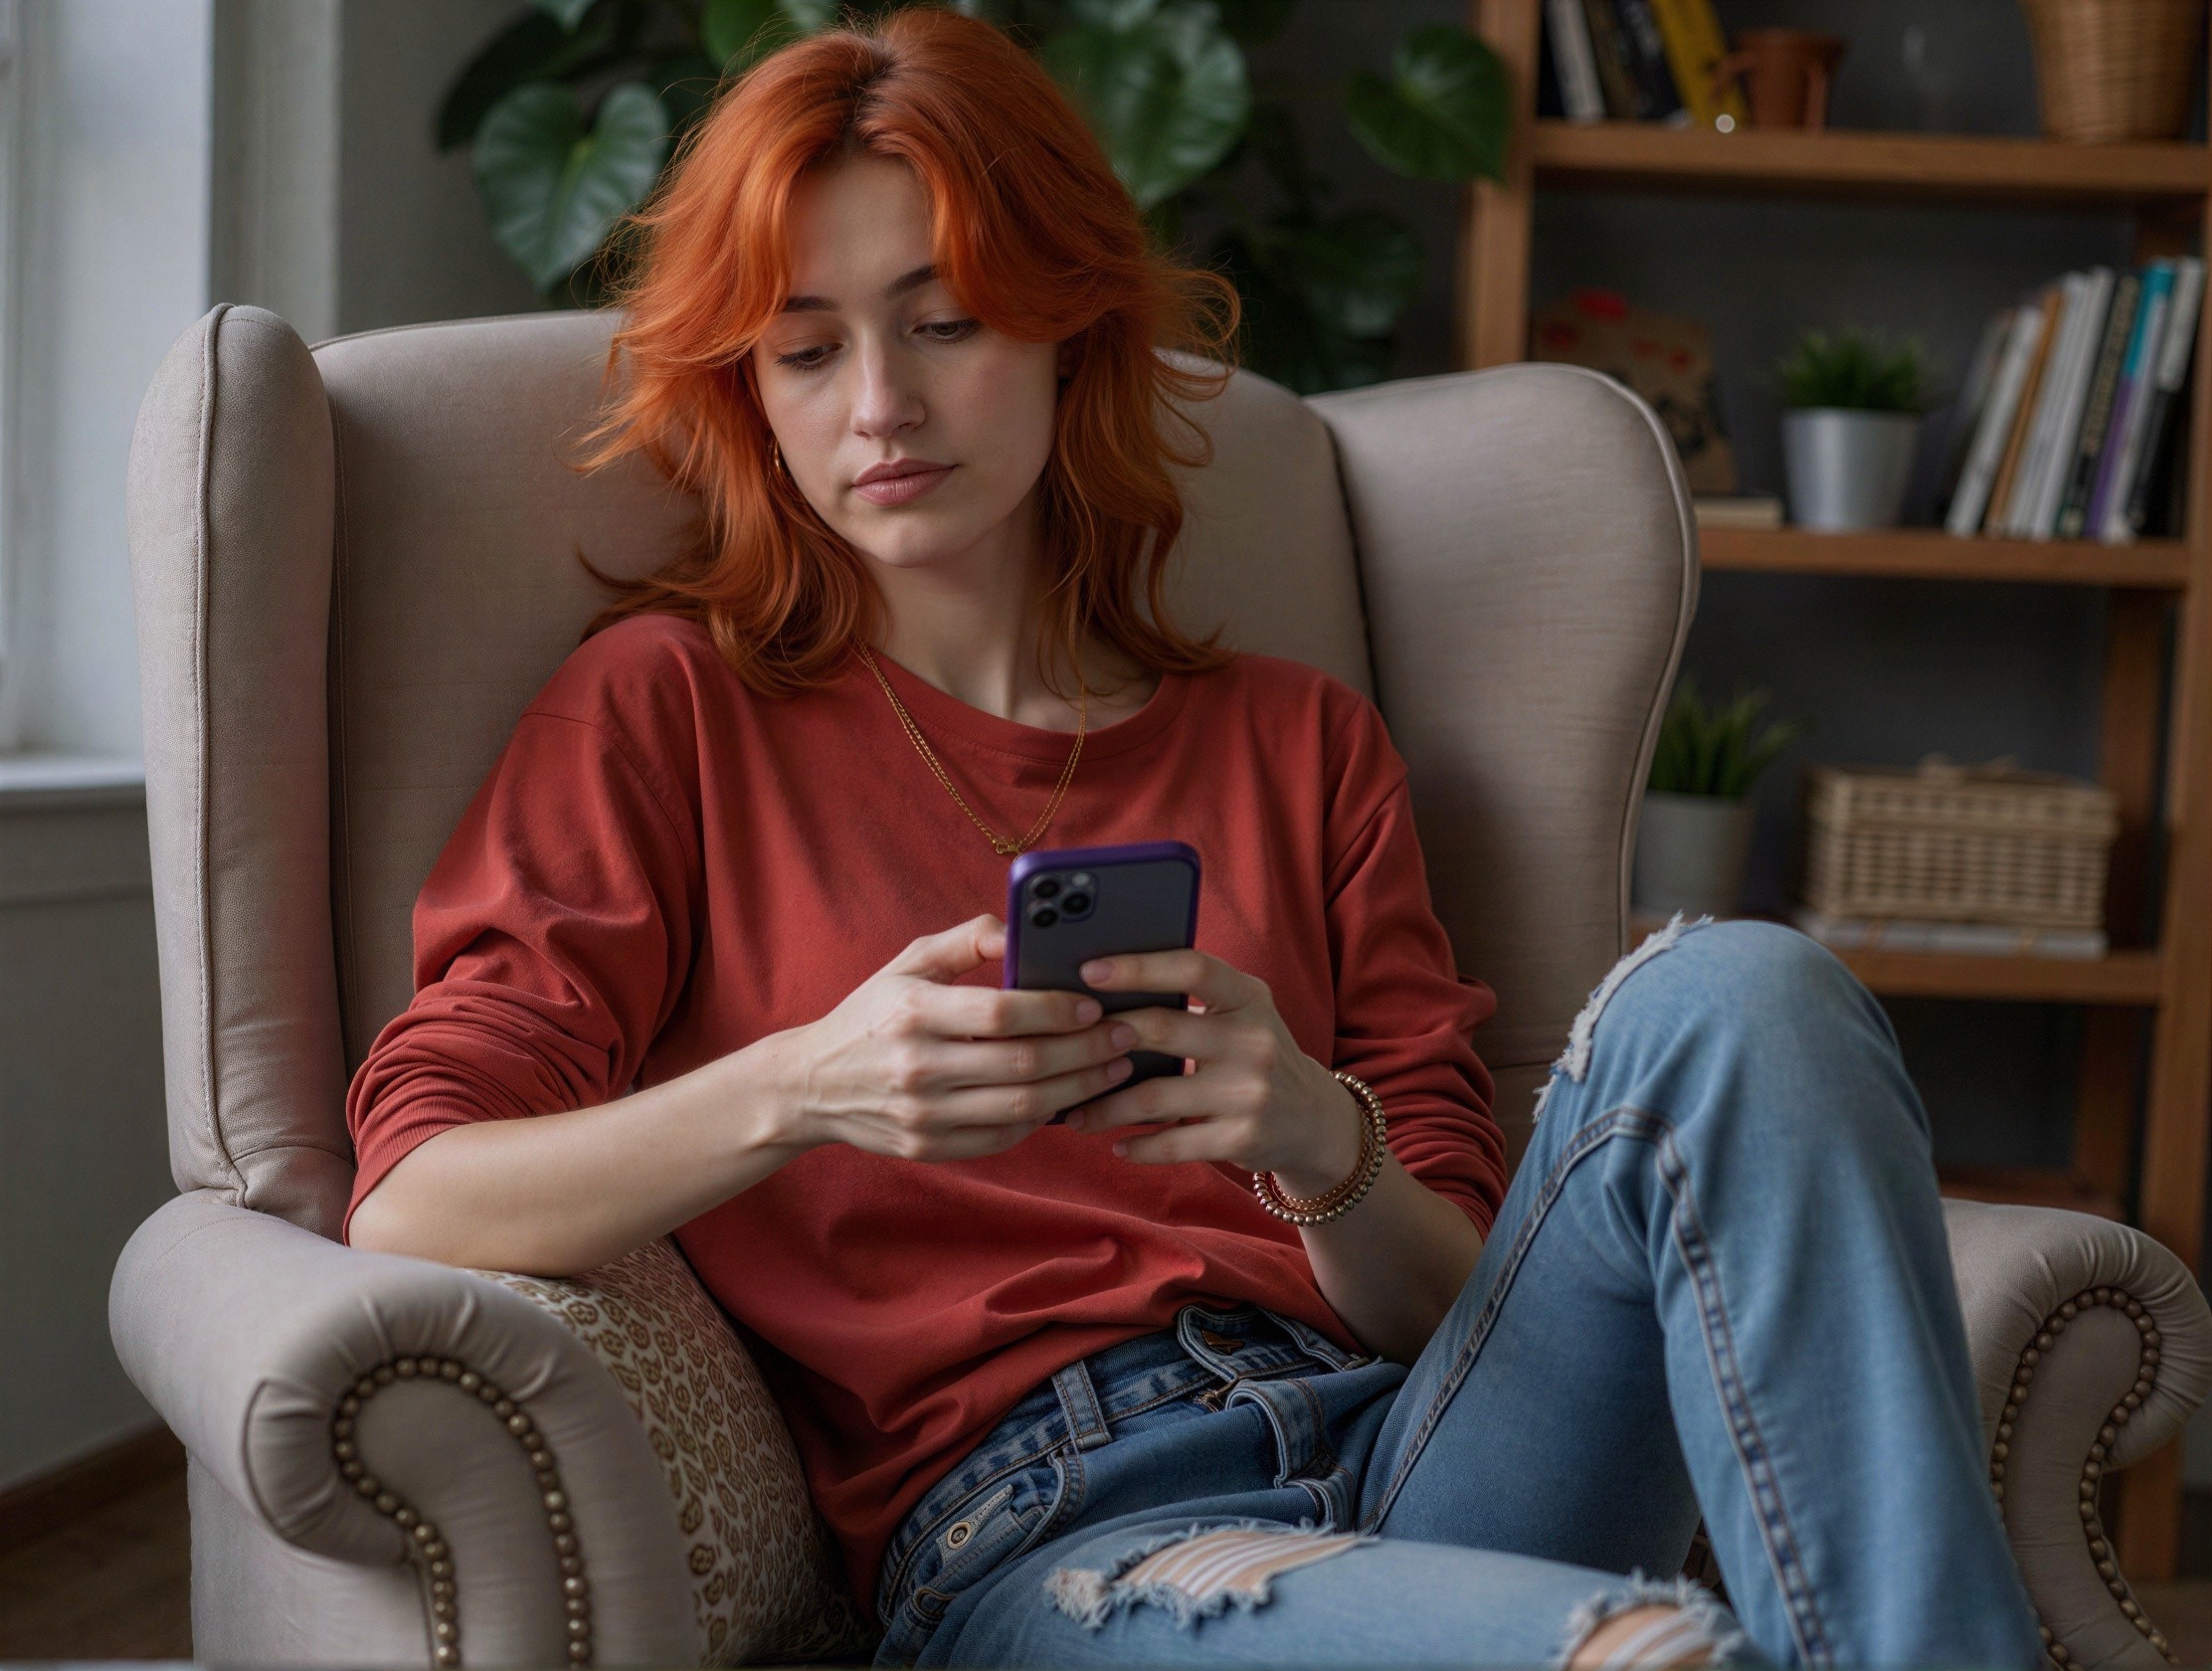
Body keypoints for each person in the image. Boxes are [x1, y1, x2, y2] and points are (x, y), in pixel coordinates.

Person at [343, 9, 2042, 1668]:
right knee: (1642, 1650)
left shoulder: (1303, 745)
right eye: (807, 350)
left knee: (1743, 990)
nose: (880, 405)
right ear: (754, 393)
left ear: (1066, 327)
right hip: (1063, 1536)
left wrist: (1315, 1132)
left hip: (1422, 1450)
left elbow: (1456, 1297)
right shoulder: (664, 714)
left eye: (944, 324)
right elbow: (414, 1196)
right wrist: (807, 1085)